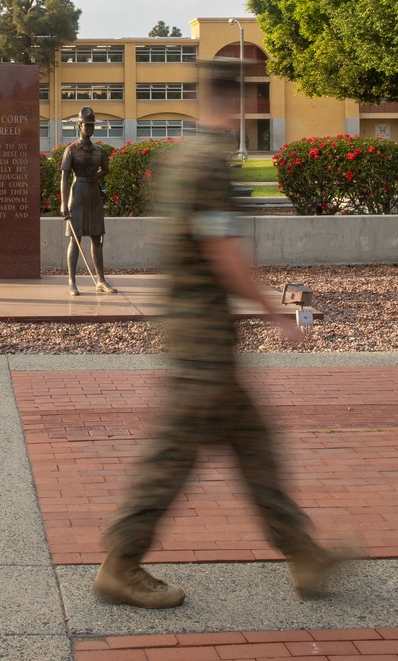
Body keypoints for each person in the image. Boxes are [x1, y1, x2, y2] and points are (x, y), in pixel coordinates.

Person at [93, 59, 351, 609]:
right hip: (202, 343)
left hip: (201, 337)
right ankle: (120, 562)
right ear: (242, 102)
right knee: (171, 455)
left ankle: (304, 554)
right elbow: (221, 249)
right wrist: (275, 312)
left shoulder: (182, 158)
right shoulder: (209, 164)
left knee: (256, 449)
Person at [61, 106, 117, 296]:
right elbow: (65, 177)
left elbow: (106, 170)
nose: (90, 128)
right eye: (87, 125)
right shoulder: (71, 150)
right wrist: (63, 203)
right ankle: (71, 282)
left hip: (93, 194)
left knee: (97, 238)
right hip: (76, 196)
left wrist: (95, 178)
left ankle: (100, 280)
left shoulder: (99, 150)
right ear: (79, 125)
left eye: (92, 125)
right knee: (75, 240)